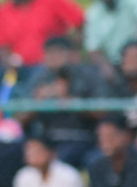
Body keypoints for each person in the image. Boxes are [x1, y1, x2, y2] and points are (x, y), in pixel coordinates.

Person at [18, 36, 109, 169]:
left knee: (59, 160)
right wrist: (37, 102)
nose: (53, 58)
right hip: (48, 137)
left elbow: (103, 112)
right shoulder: (39, 77)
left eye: (58, 53)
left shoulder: (87, 75)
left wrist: (69, 100)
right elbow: (20, 118)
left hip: (82, 138)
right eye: (49, 53)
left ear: (71, 54)